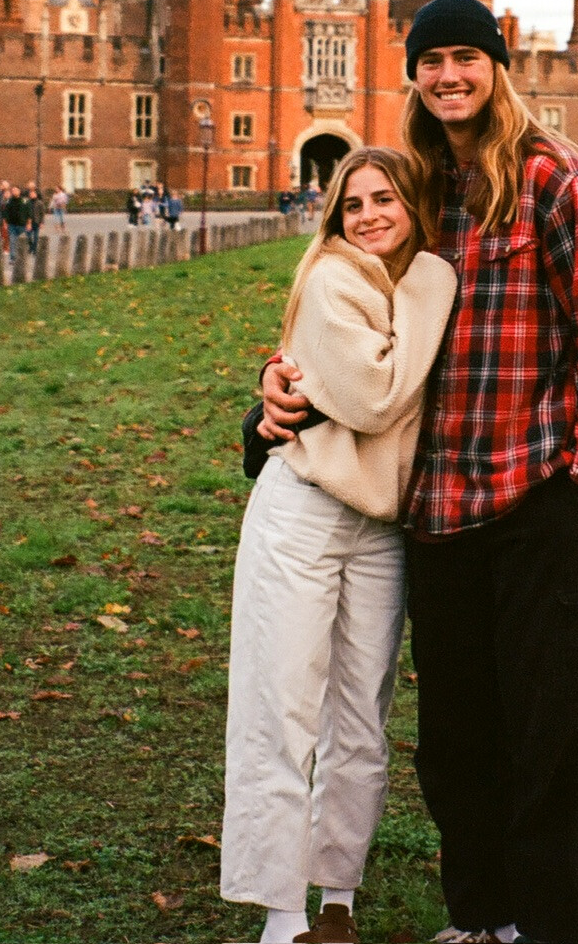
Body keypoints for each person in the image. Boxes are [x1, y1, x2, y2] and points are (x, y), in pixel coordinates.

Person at [262, 0, 578, 944]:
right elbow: (355, 321)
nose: (448, 76)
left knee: (547, 733)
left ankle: (546, 926)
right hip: (435, 507)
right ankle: (482, 918)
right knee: (457, 740)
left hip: (536, 497)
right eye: (431, 61)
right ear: (415, 77)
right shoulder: (419, 189)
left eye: (466, 57)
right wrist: (275, 389)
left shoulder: (556, 179)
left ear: (496, 67)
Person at [221, 149, 456, 944]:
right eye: (352, 204)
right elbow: (376, 395)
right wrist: (432, 279)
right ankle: (281, 912)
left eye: (384, 199)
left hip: (381, 526)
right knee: (282, 706)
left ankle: (337, 898)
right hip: (306, 509)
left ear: (412, 205)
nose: (368, 216)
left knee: (361, 718)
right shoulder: (333, 278)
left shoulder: (404, 283)